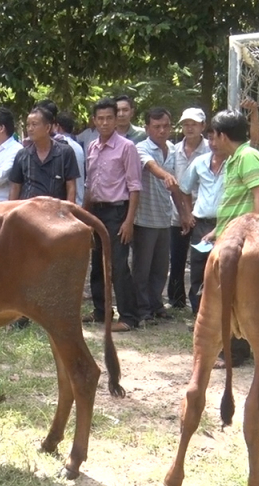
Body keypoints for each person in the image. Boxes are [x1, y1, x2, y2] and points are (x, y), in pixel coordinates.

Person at [203, 109, 259, 368]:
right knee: (227, 295)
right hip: (230, 237)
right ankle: (233, 349)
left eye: (213, 135)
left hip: (244, 243)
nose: (212, 140)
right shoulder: (235, 158)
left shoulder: (248, 156)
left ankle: (237, 353)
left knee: (236, 296)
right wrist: (217, 231)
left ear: (222, 135)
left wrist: (254, 234)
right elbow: (237, 202)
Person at [84, 97, 142, 332]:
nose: (105, 122)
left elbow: (135, 186)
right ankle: (101, 311)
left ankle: (129, 317)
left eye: (110, 117)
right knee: (97, 265)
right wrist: (84, 216)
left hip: (117, 212)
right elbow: (89, 185)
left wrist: (129, 221)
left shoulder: (126, 147)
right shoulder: (92, 147)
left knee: (117, 265)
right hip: (95, 212)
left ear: (116, 119)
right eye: (101, 118)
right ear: (94, 121)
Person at [134, 107, 189, 323]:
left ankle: (156, 304)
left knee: (160, 268)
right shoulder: (140, 148)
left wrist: (183, 213)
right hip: (144, 218)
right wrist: (167, 175)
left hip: (164, 217)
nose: (162, 130)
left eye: (166, 126)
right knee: (142, 268)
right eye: (156, 126)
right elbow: (152, 167)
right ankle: (142, 310)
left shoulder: (173, 150)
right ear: (147, 128)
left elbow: (174, 187)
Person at [179, 133, 227, 314]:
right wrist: (187, 212)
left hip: (226, 224)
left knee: (223, 267)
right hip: (200, 224)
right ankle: (198, 311)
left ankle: (221, 312)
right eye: (211, 139)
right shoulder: (200, 162)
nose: (214, 144)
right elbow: (184, 188)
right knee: (199, 266)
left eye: (218, 139)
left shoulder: (234, 163)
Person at [167, 108, 209, 309]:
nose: (189, 128)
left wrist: (192, 213)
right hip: (177, 212)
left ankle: (199, 303)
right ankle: (176, 300)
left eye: (194, 124)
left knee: (201, 260)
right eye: (185, 124)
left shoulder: (212, 149)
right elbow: (173, 183)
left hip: (203, 213)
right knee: (177, 257)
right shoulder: (174, 150)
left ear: (203, 126)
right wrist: (184, 212)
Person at [9, 105, 79, 202]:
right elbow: (15, 187)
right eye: (28, 125)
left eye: (34, 124)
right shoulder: (22, 155)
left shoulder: (65, 152)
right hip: (27, 212)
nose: (30, 129)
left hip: (56, 212)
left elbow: (71, 187)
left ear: (47, 128)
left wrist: (67, 212)